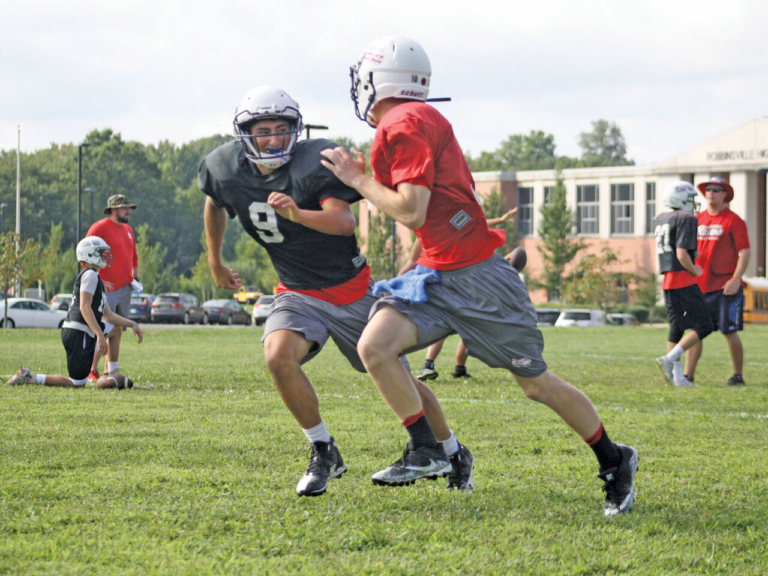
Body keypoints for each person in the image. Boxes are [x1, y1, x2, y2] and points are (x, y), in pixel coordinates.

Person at [320, 36, 638, 515]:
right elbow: (431, 216)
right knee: (375, 347)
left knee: (536, 385)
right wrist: (416, 261)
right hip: (436, 272)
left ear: (377, 81)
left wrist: (357, 180)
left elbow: (410, 209)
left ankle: (615, 460)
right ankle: (431, 450)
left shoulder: (402, 122)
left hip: (478, 279)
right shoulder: (415, 118)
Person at [198, 86, 474, 497]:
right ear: (245, 135)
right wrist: (215, 260)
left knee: (392, 372)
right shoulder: (224, 166)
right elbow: (214, 201)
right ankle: (323, 450)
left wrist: (295, 213)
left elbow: (343, 221)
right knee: (277, 356)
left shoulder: (316, 160)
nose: (274, 139)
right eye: (265, 131)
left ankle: (451, 451)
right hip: (296, 291)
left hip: (351, 291)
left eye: (282, 128)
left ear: (296, 129)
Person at [6, 237, 143, 388]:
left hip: (82, 331)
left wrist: (132, 324)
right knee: (76, 384)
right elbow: (84, 307)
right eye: (101, 252)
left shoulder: (95, 277)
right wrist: (99, 335)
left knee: (116, 330)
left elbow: (108, 315)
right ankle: (30, 377)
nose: (105, 256)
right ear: (90, 254)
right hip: (79, 332)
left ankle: (110, 372)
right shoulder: (90, 275)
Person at [417, 211, 522, 381]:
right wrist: (501, 220)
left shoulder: (458, 232)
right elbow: (480, 226)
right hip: (460, 288)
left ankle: (437, 365)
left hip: (460, 288)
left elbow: (479, 226)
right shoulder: (458, 234)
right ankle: (446, 367)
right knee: (462, 329)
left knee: (451, 328)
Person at [684, 177, 751, 386]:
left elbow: (745, 252)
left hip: (725, 288)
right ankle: (688, 375)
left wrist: (735, 279)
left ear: (725, 195)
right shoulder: (697, 219)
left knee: (729, 331)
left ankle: (737, 375)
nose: (711, 192)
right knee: (696, 331)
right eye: (708, 189)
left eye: (717, 189)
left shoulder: (733, 220)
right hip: (699, 286)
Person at [653, 182, 715, 387]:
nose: (693, 204)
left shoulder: (662, 218)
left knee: (677, 327)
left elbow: (673, 248)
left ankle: (678, 379)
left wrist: (690, 253)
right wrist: (694, 268)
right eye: (690, 199)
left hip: (668, 280)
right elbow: (680, 253)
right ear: (680, 199)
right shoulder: (686, 218)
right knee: (706, 325)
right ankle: (670, 359)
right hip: (683, 279)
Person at [85, 194, 141, 382]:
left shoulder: (128, 229)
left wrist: (134, 276)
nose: (128, 211)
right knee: (105, 329)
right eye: (125, 208)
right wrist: (99, 281)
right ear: (114, 209)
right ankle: (92, 370)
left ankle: (110, 371)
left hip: (125, 288)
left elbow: (134, 256)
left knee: (117, 330)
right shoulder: (99, 228)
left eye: (129, 208)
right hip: (107, 291)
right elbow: (85, 255)